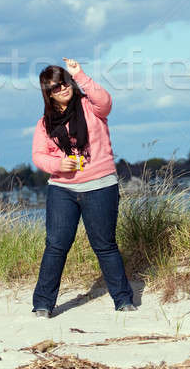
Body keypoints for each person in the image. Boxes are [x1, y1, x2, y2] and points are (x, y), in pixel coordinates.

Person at [31, 57, 136, 318]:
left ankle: (123, 300)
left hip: (100, 185)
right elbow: (38, 155)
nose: (62, 88)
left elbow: (107, 101)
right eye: (55, 87)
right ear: (49, 94)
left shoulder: (91, 107)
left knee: (104, 245)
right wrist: (59, 164)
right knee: (56, 245)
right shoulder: (45, 123)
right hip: (62, 190)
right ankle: (42, 304)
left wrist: (80, 75)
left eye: (64, 82)